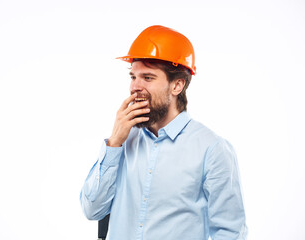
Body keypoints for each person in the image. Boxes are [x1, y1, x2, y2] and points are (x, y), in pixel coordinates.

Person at [80, 25, 248, 240]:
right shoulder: (122, 140)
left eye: (148, 78)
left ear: (177, 85)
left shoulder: (212, 149)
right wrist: (114, 143)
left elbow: (230, 233)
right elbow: (92, 210)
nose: (135, 87)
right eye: (133, 77)